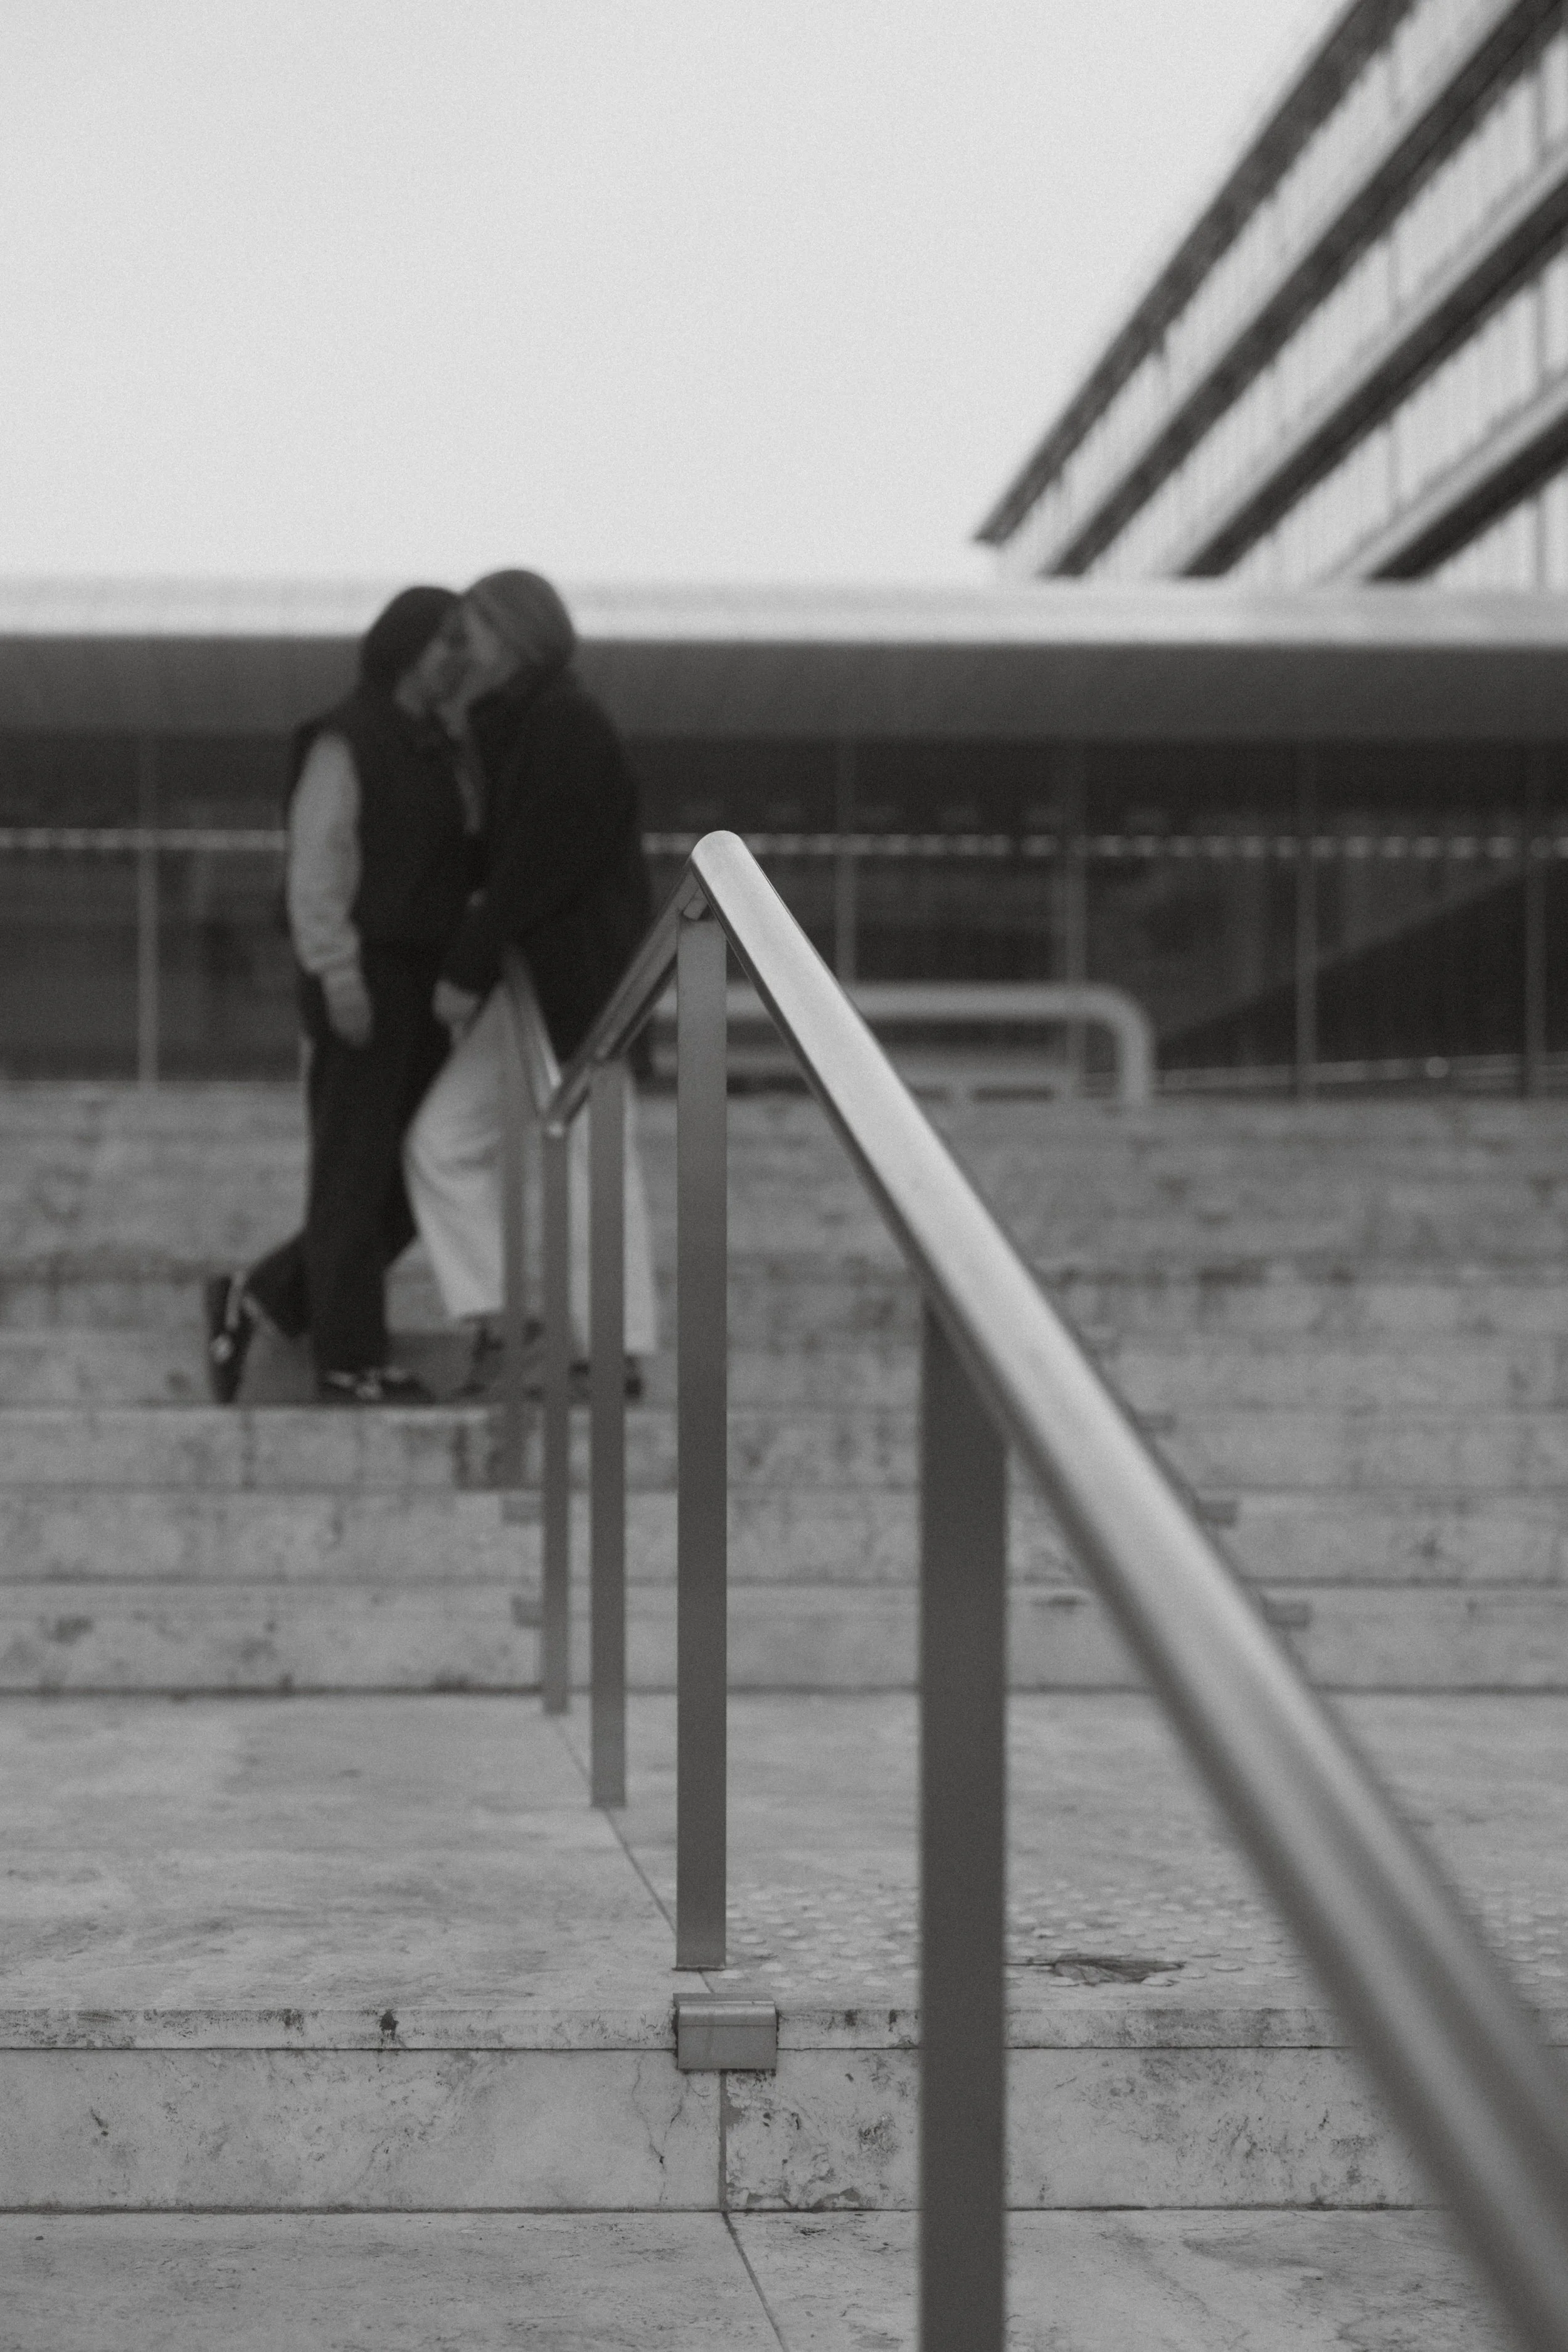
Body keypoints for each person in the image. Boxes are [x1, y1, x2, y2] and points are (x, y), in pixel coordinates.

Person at [204, 585, 473, 1404]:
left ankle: (265, 1292)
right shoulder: (344, 740)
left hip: (423, 988)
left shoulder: (438, 746)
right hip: (364, 977)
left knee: (423, 1171)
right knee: (354, 1174)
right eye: (448, 642)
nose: (460, 658)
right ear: (405, 645)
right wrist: (340, 972)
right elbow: (316, 868)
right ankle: (349, 1359)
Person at [401, 569, 658, 1387]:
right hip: (532, 985)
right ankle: (513, 1326)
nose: (457, 646)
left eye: (468, 627)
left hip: (584, 986)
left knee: (590, 1158)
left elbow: (532, 870)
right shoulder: (516, 727)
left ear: (509, 632)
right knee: (442, 1141)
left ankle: (610, 1353)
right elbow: (503, 861)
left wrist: (461, 971)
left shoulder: (566, 725)